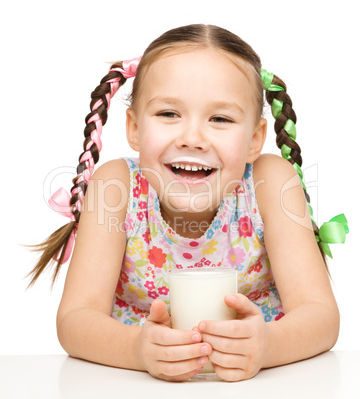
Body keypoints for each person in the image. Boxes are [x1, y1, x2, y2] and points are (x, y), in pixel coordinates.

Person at [28, 24, 349, 382]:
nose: (192, 138)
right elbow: (75, 320)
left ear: (255, 139)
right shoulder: (115, 188)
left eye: (220, 118)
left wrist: (268, 345)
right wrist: (137, 349)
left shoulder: (268, 183)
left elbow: (321, 316)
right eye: (168, 114)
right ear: (134, 128)